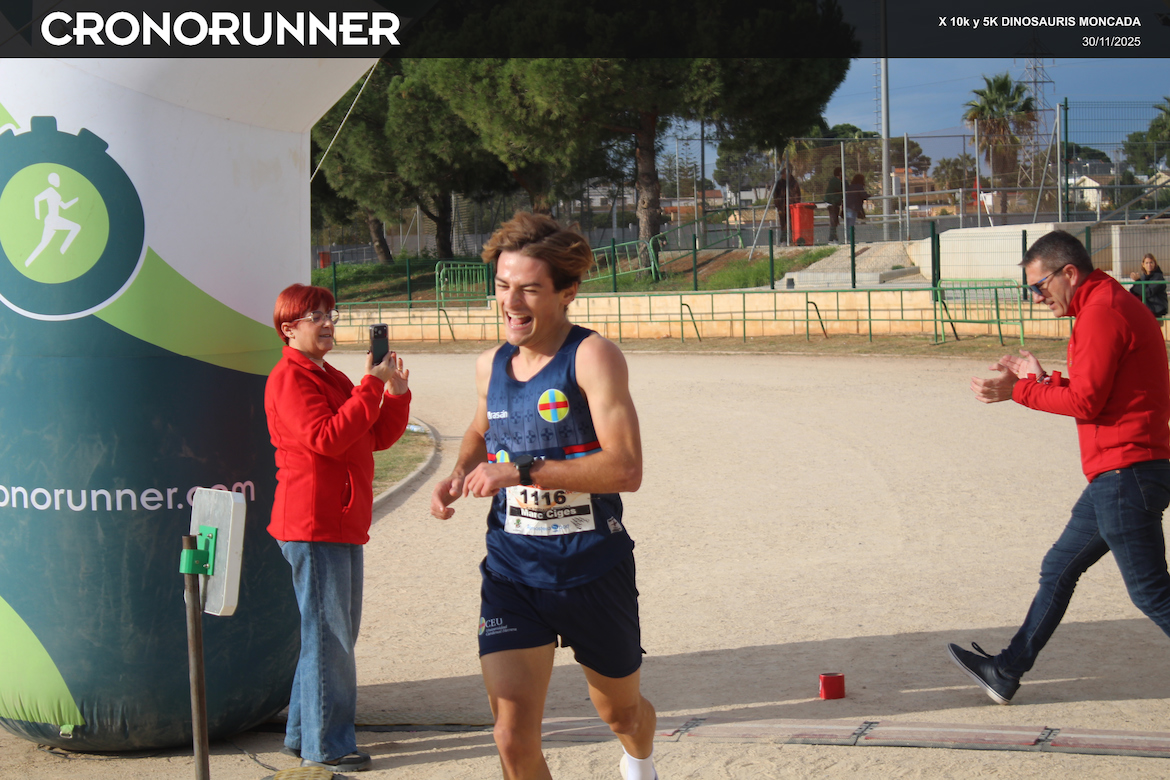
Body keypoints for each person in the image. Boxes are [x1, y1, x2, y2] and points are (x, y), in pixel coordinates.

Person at [430, 212, 657, 780]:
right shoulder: (490, 365)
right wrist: (458, 473)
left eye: (530, 289)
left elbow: (626, 469)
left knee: (622, 713)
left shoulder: (592, 356)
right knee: (510, 736)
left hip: (592, 568)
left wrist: (521, 472)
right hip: (513, 571)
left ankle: (639, 762)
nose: (511, 302)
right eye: (503, 286)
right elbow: (481, 428)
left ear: (567, 292)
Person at [951, 230, 1170, 705]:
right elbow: (1101, 390)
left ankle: (1007, 669)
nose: (1036, 297)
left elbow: (1087, 403)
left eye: (1039, 285)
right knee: (1059, 568)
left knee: (1152, 593)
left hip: (1126, 473)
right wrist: (1044, 380)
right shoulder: (1106, 304)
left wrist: (1020, 390)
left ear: (1069, 273)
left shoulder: (1101, 313)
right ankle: (1005, 671)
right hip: (1122, 472)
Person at [265, 283, 411, 771]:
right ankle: (327, 746)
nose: (328, 323)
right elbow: (326, 439)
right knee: (331, 639)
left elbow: (375, 436)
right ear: (289, 329)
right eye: (316, 317)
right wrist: (369, 385)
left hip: (339, 522)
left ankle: (302, 735)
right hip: (313, 523)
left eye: (331, 314)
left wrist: (394, 392)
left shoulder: (328, 375)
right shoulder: (290, 377)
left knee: (328, 636)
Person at [1128, 253, 1167, 318]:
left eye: (1151, 262)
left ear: (1155, 264)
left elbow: (1148, 292)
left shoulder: (1158, 277)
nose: (1149, 265)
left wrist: (1138, 281)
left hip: (1156, 309)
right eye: (1147, 263)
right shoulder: (1143, 277)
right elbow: (1135, 291)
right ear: (1143, 264)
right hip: (1147, 308)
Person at [774, 167, 801, 243]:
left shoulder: (794, 183)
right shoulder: (779, 184)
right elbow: (776, 196)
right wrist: (778, 206)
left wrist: (795, 204)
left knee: (792, 223)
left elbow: (797, 195)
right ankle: (784, 240)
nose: (782, 176)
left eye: (783, 174)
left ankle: (793, 239)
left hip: (792, 207)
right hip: (782, 207)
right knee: (783, 224)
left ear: (788, 174)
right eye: (782, 174)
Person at [824, 167, 843, 243]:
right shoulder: (836, 181)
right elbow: (844, 188)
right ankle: (831, 239)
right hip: (832, 203)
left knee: (835, 221)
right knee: (833, 221)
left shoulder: (834, 181)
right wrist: (845, 181)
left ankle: (834, 238)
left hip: (834, 203)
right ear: (840, 173)